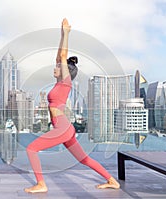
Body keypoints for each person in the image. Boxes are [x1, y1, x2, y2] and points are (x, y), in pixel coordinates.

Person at [24, 18, 120, 193]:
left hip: (62, 128)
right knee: (84, 159)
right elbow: (58, 56)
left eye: (58, 66)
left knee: (31, 149)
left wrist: (67, 33)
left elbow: (61, 57)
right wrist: (61, 35)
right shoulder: (59, 84)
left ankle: (41, 184)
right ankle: (112, 181)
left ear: (64, 70)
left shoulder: (66, 82)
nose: (55, 67)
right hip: (65, 128)